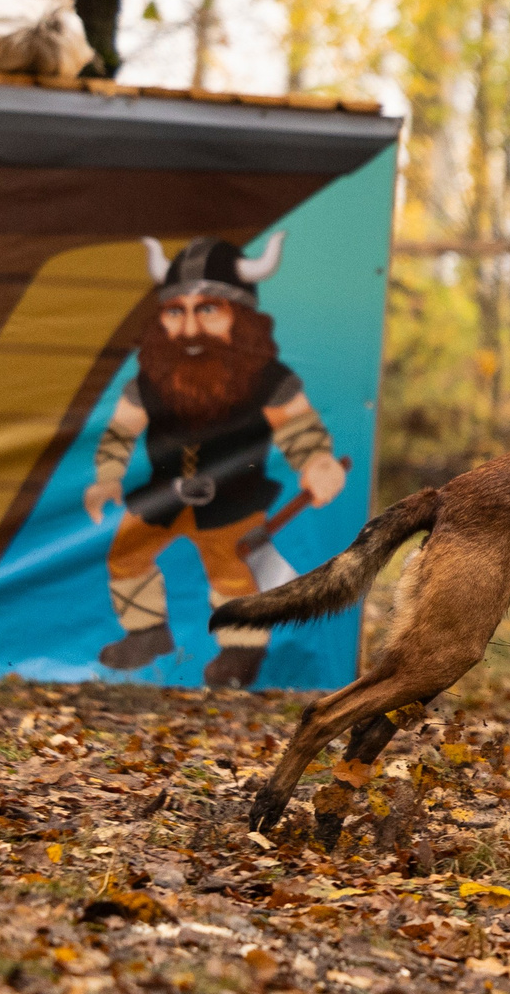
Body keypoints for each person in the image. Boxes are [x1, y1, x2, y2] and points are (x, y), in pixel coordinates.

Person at [86, 235, 346, 687]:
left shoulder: (268, 379)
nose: (188, 329)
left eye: (207, 309)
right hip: (161, 498)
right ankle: (146, 633)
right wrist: (107, 477)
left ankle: (240, 653)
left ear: (240, 318)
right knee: (125, 555)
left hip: (233, 503)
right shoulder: (154, 375)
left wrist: (318, 464)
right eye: (175, 311)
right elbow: (121, 430)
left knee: (234, 577)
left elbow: (300, 431)